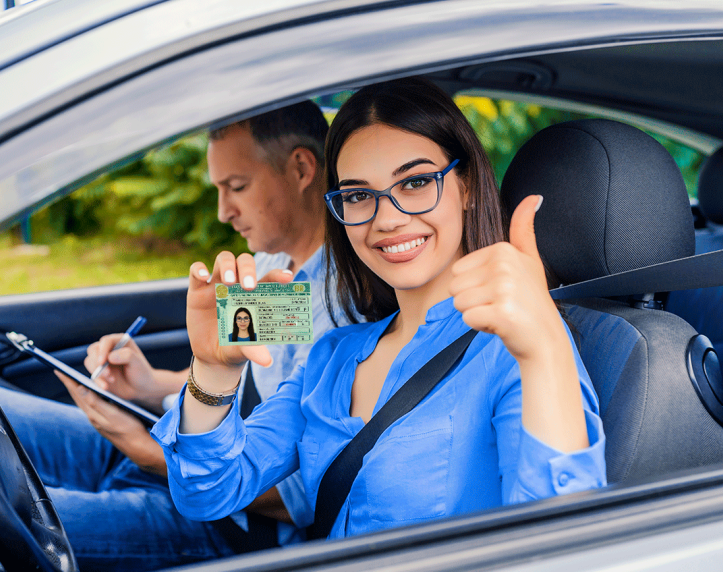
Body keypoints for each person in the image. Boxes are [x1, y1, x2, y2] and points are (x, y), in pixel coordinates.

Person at [151, 77, 607, 538]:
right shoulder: (332, 356)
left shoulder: (518, 350)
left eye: (415, 183)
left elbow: (561, 545)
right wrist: (212, 370)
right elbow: (207, 493)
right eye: (357, 195)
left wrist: (546, 346)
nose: (386, 219)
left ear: (465, 185)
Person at [0, 100, 338, 572]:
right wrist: (148, 383)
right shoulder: (272, 266)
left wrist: (146, 451)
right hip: (171, 449)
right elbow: (231, 383)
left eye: (236, 187)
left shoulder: (337, 308)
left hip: (227, 523)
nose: (223, 212)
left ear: (301, 168)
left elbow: (295, 498)